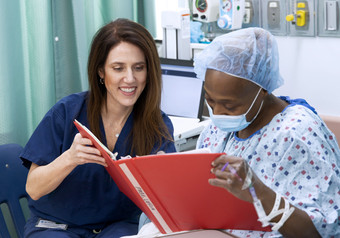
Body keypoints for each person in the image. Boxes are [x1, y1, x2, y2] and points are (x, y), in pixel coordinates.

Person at [20, 18, 176, 238]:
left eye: (138, 68)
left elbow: (167, 204)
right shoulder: (66, 112)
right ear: (101, 71)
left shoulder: (157, 125)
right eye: (118, 68)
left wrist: (162, 179)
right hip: (57, 227)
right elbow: (34, 189)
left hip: (119, 228)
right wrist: (70, 158)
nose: (130, 78)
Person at [193, 27, 340, 237]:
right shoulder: (215, 130)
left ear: (262, 89)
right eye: (210, 100)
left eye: (230, 106)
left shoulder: (296, 135)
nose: (217, 113)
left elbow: (317, 232)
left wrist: (257, 191)